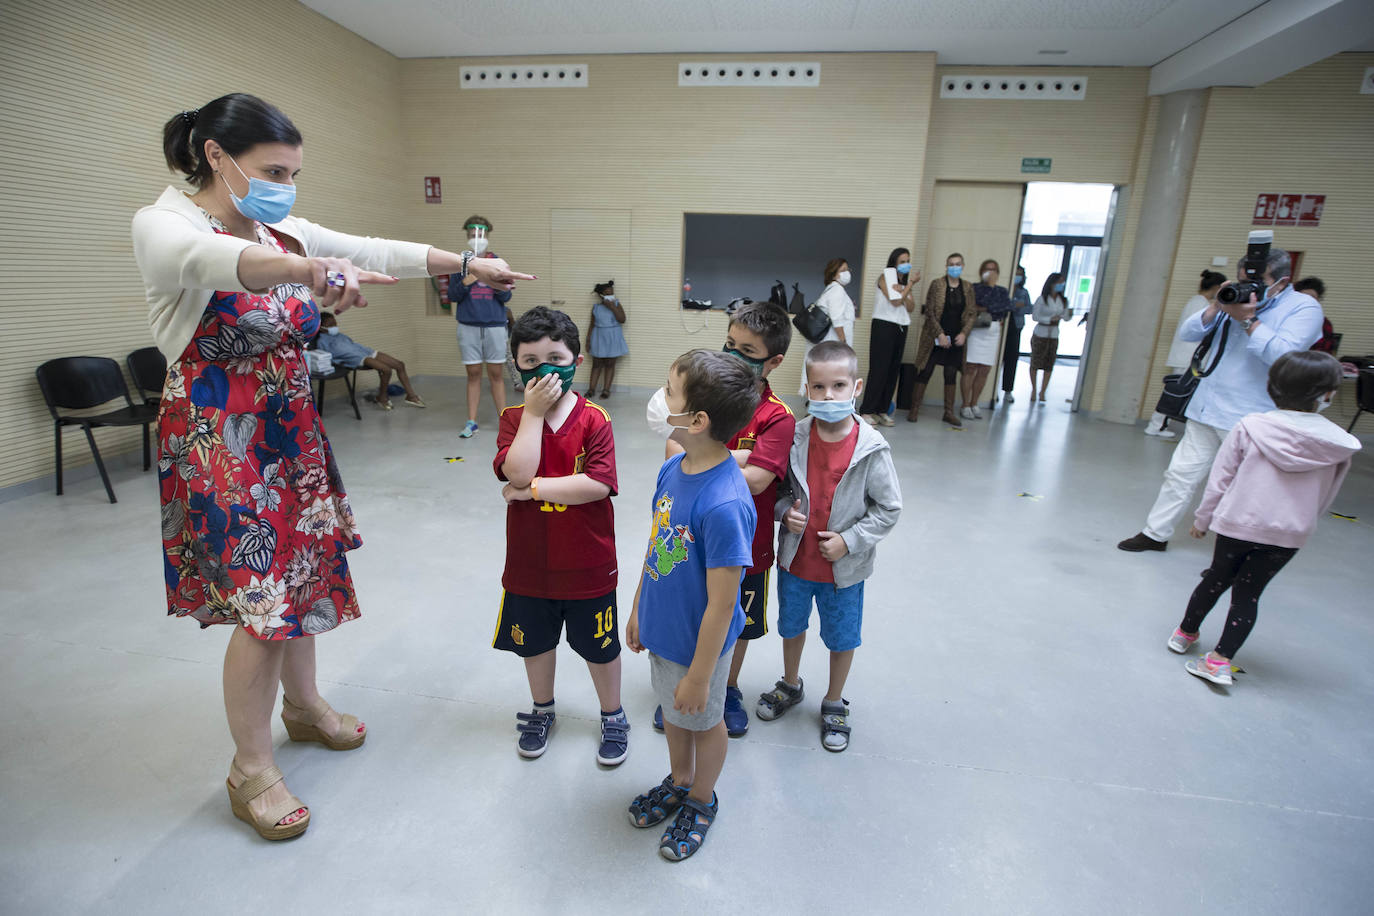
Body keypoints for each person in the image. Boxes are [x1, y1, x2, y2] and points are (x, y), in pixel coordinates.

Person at [132, 93, 532, 841]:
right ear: (217, 157)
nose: (286, 185)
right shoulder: (167, 224)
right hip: (224, 439)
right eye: (272, 169)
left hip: (290, 429)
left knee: (304, 577)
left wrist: (472, 262)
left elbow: (379, 250)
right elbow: (214, 263)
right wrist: (311, 270)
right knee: (262, 603)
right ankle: (251, 766)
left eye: (293, 171)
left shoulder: (279, 226)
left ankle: (304, 708)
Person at [627, 349, 760, 861]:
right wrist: (639, 607)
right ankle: (680, 779)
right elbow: (657, 543)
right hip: (664, 630)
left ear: (697, 420)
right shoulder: (673, 468)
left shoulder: (724, 503)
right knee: (673, 713)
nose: (659, 399)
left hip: (699, 648)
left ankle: (702, 799)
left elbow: (724, 605)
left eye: (669, 391)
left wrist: (704, 677)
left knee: (705, 721)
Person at [1166, 351, 1359, 685]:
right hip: (1288, 534)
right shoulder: (1339, 444)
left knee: (1215, 578)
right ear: (1328, 393)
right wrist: (1303, 524)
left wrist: (1203, 518)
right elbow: (1326, 496)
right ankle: (1219, 661)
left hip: (1237, 524)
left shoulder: (1251, 427)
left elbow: (1221, 478)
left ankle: (1185, 633)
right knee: (1249, 595)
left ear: (1272, 386)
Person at [1118, 244, 1324, 552]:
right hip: (1206, 406)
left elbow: (1284, 355)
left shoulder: (1303, 309)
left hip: (1251, 415)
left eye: (1258, 284)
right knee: (1180, 474)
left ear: (1282, 281)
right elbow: (1188, 333)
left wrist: (1247, 319)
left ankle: (1232, 552)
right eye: (1243, 282)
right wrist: (1217, 306)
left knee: (1244, 489)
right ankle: (1155, 533)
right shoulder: (1232, 300)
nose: (1249, 289)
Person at [653, 301, 796, 738]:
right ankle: (684, 686)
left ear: (773, 361)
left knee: (737, 620)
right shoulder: (703, 393)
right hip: (687, 537)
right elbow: (672, 451)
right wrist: (732, 455)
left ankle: (725, 687)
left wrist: (709, 458)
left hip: (744, 548)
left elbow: (756, 481)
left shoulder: (777, 417)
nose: (732, 354)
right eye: (729, 343)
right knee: (694, 610)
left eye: (746, 349)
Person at [492, 307, 627, 765]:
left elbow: (597, 485)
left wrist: (528, 492)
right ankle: (542, 708)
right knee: (534, 643)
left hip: (588, 563)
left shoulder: (594, 420)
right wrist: (532, 415)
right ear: (516, 366)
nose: (544, 369)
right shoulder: (514, 418)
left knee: (600, 647)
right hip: (530, 566)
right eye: (530, 361)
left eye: (555, 357)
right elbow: (516, 466)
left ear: (578, 360)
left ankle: (612, 713)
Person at [757, 341, 901, 752]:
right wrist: (784, 513)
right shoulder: (796, 436)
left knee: (841, 637)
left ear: (856, 387)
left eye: (838, 386)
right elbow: (777, 489)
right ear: (806, 387)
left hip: (844, 572)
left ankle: (835, 700)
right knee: (792, 627)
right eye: (818, 387)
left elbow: (889, 508)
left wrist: (850, 540)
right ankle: (790, 683)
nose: (828, 396)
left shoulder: (871, 447)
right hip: (795, 564)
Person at [448, 216, 512, 439]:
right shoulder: (459, 263)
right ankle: (472, 421)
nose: (477, 238)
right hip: (468, 326)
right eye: (473, 234)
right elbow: (452, 295)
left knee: (496, 374)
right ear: (467, 236)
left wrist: (492, 277)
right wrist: (471, 277)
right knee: (473, 374)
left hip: (494, 325)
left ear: (487, 236)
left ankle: (505, 422)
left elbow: (506, 295)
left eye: (481, 234)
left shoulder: (498, 262)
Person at [1143, 270, 1226, 438]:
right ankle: (1156, 425)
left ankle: (1158, 425)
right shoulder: (1201, 305)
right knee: (1174, 394)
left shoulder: (1196, 302)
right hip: (1187, 357)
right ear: (1217, 288)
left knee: (1176, 393)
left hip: (1186, 357)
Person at [909, 252, 976, 427]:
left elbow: (971, 314)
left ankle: (948, 412)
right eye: (951, 264)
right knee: (925, 370)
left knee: (951, 373)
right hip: (935, 337)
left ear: (963, 266)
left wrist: (964, 333)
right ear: (946, 267)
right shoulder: (937, 284)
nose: (954, 267)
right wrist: (939, 334)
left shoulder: (968, 287)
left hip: (956, 339)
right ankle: (914, 409)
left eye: (957, 264)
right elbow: (930, 312)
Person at [859, 248, 919, 426]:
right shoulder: (885, 277)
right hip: (883, 326)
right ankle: (867, 410)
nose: (906, 264)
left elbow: (910, 306)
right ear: (893, 262)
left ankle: (882, 409)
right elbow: (896, 301)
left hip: (900, 327)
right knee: (879, 368)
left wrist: (904, 289)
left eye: (907, 260)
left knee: (893, 370)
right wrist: (908, 288)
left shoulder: (903, 282)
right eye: (902, 261)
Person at [315, 311, 424, 409]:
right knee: (386, 370)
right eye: (330, 325)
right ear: (320, 327)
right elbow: (328, 357)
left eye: (335, 324)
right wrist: (341, 362)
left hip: (365, 352)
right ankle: (382, 397)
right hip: (355, 358)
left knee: (400, 364)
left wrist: (368, 352)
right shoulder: (322, 342)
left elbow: (353, 344)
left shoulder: (340, 335)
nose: (334, 327)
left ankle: (411, 396)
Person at [798, 258, 855, 396]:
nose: (847, 273)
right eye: (843, 270)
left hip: (825, 343)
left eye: (848, 270)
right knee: (829, 375)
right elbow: (837, 319)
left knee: (821, 374)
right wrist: (843, 344)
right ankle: (819, 408)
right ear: (833, 274)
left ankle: (816, 405)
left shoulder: (831, 290)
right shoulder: (837, 291)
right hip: (832, 343)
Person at [962, 259, 1010, 419]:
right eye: (987, 269)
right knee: (970, 367)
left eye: (994, 270)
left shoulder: (1002, 291)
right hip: (977, 329)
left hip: (993, 330)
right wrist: (988, 303)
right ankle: (965, 404)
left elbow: (1004, 308)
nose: (991, 273)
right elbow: (974, 306)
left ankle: (974, 403)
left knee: (984, 369)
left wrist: (986, 307)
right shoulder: (974, 288)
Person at [1029, 273, 1072, 403]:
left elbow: (1066, 317)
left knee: (1049, 363)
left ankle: (1043, 391)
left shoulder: (1063, 300)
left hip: (1054, 334)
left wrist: (1068, 315)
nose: (1061, 285)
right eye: (1059, 282)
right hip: (1041, 333)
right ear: (1052, 283)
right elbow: (1035, 316)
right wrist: (1049, 319)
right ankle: (1034, 389)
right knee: (1036, 361)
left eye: (1062, 283)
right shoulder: (1042, 299)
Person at [586, 280, 628, 398]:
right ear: (601, 295)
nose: (611, 295)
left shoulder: (616, 304)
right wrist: (588, 340)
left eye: (612, 293)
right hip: (598, 336)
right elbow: (592, 324)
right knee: (596, 363)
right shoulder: (596, 307)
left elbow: (622, 319)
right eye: (608, 293)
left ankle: (606, 390)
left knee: (610, 364)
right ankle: (591, 389)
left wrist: (612, 307)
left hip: (613, 336)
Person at [1001, 266, 1032, 404]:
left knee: (1011, 359)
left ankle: (1008, 391)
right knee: (998, 359)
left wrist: (1015, 305)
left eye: (1020, 274)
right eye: (1016, 274)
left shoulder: (1023, 292)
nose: (1018, 277)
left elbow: (1029, 308)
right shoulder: (1004, 289)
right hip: (1002, 327)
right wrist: (1015, 304)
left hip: (1016, 326)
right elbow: (1003, 306)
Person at [1296, 278, 1337, 352]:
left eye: (1312, 297)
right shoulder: (1286, 317)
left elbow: (1324, 352)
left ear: (1318, 300)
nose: (1307, 301)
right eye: (1303, 297)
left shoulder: (1324, 323)